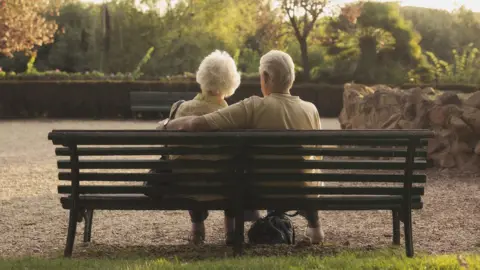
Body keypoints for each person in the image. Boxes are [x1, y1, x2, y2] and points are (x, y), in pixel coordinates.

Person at [158, 50, 325, 244]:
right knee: (302, 175)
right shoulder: (311, 109)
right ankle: (315, 228)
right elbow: (316, 153)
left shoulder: (253, 106)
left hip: (264, 189)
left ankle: (221, 232)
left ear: (266, 77)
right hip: (303, 189)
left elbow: (197, 124)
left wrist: (165, 125)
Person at [161, 50, 260, 245]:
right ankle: (231, 230)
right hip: (222, 187)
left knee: (191, 166)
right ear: (231, 82)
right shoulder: (230, 115)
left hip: (185, 185)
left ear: (202, 76)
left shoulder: (179, 109)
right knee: (233, 169)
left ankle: (197, 228)